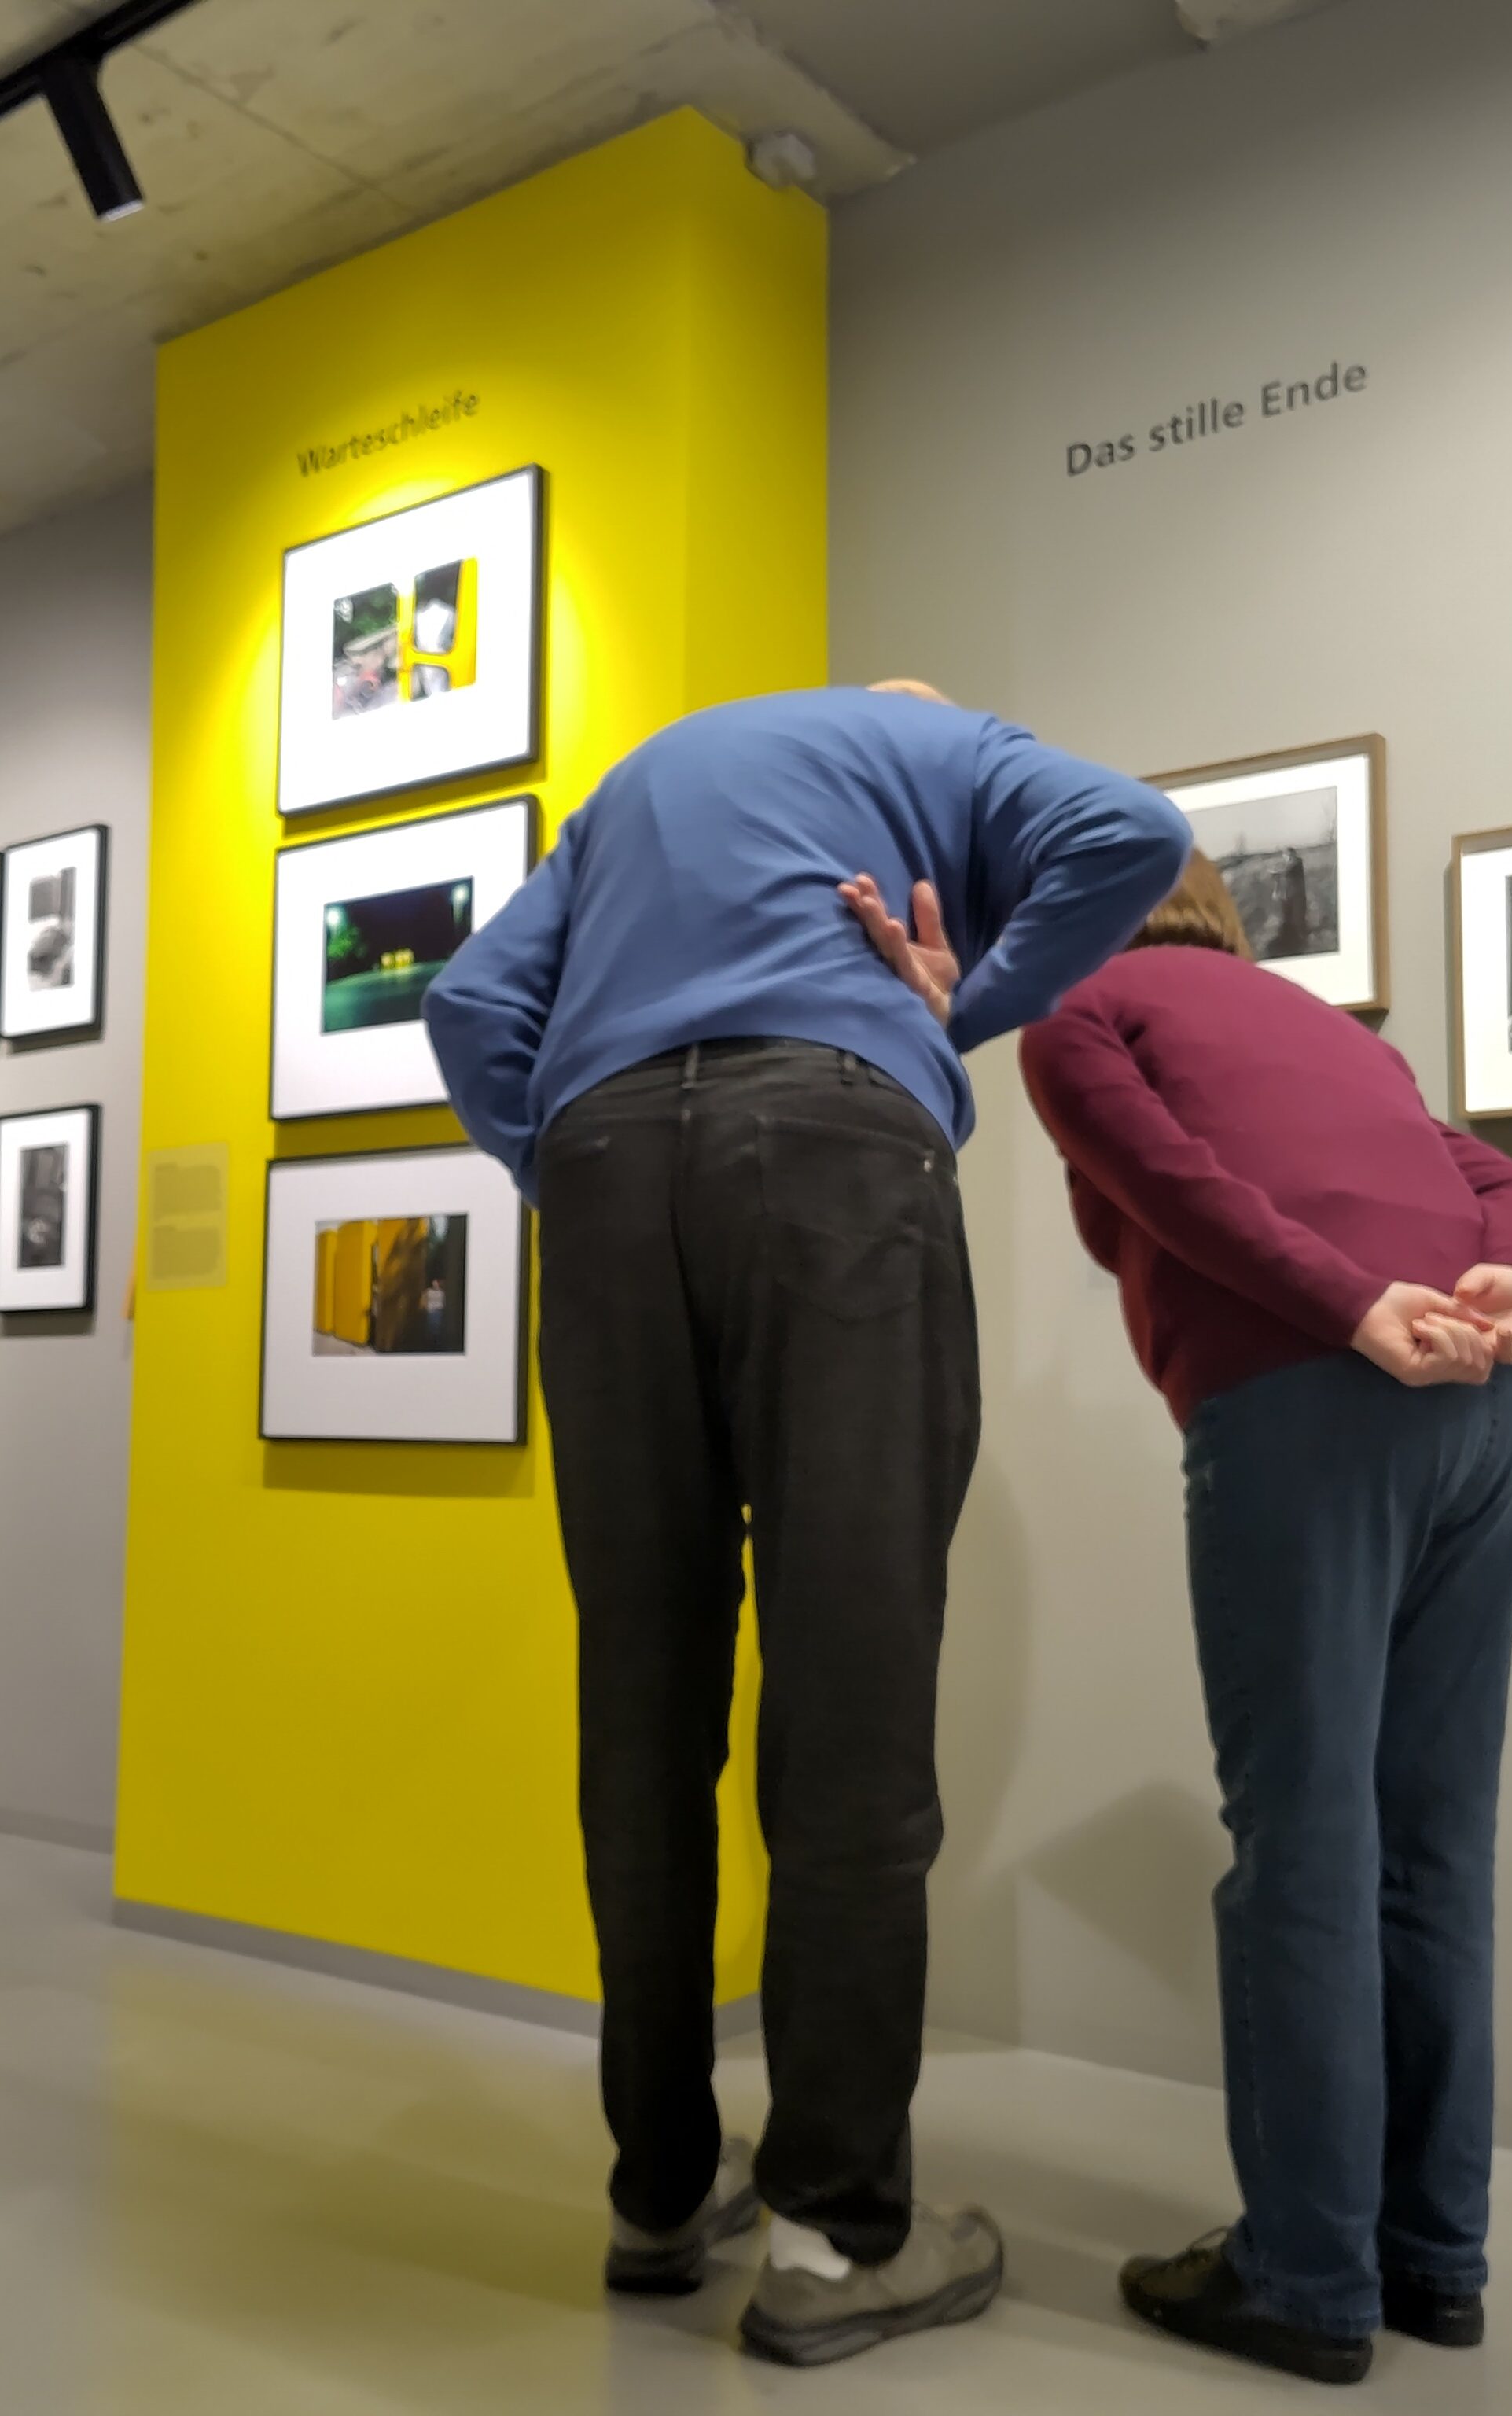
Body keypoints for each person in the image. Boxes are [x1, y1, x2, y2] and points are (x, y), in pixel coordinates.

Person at [422, 681, 1188, 2366]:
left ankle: (653, 2194)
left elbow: (475, 1002)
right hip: (834, 1147)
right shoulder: (940, 738)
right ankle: (842, 2240)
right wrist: (954, 1006)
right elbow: (1133, 831)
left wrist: (583, 1168)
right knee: (845, 1707)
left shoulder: (637, 783)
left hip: (610, 1173)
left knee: (645, 1705)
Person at [964, 851, 1512, 2387]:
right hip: (1493, 1409)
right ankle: (1434, 2261)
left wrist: (1348, 1305)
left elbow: (1175, 1189)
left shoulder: (1078, 1014)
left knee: (1304, 1842)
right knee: (1432, 1841)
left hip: (1315, 1403)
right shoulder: (1333, 1028)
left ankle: (1305, 2278)